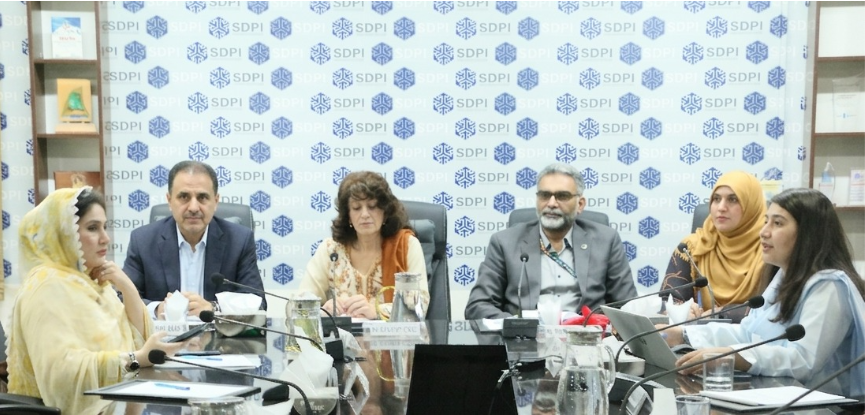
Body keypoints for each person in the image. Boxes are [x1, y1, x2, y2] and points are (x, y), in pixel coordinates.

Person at [662, 188, 865, 397]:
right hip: (780, 397)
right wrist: (684, 335)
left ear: (808, 233)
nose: (764, 232)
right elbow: (748, 333)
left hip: (825, 407)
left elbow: (804, 360)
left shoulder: (829, 286)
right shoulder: (785, 275)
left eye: (777, 223)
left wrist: (735, 357)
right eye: (766, 221)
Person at [6, 187, 186, 414]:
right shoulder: (46, 286)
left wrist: (127, 287)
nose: (105, 238)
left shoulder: (91, 281)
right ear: (64, 233)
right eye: (93, 228)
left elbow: (140, 340)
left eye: (104, 227)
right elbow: (61, 375)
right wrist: (135, 360)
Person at [465, 162, 637, 320]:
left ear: (580, 204)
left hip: (586, 337)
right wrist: (517, 326)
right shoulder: (505, 242)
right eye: (545, 195)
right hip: (524, 339)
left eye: (562, 196)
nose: (552, 203)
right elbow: (478, 305)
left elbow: (627, 306)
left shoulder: (606, 240)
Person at [124, 161, 267, 319]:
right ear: (169, 201)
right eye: (184, 197)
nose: (193, 207)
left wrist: (214, 308)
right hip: (163, 333)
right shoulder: (143, 241)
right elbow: (122, 298)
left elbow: (258, 302)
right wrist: (157, 309)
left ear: (216, 201)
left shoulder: (239, 241)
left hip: (218, 334)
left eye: (202, 197)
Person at [300, 171, 428, 319]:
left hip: (390, 333)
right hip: (340, 334)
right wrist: (322, 311)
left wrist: (376, 311)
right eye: (356, 208)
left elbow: (420, 305)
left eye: (372, 206)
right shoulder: (330, 250)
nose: (365, 214)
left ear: (385, 212)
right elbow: (300, 304)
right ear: (348, 215)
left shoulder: (406, 246)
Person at [659, 171, 767, 322]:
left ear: (752, 206)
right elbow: (667, 301)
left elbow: (776, 309)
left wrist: (722, 313)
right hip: (699, 335)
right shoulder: (691, 247)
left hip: (756, 334)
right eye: (716, 199)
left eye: (733, 199)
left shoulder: (770, 249)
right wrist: (681, 310)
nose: (721, 207)